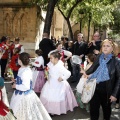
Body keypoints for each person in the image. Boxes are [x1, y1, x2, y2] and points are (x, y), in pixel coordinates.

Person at [81, 39, 120, 120]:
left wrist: (114, 94)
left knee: (106, 111)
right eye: (104, 46)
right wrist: (86, 72)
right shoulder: (99, 57)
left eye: (108, 46)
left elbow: (119, 79)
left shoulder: (116, 61)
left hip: (107, 91)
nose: (105, 48)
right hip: (95, 87)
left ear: (112, 48)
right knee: (93, 111)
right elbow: (93, 68)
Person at [10, 52, 52, 120]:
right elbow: (22, 79)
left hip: (24, 96)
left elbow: (26, 87)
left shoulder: (26, 71)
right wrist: (16, 80)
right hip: (19, 94)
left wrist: (16, 86)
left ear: (20, 61)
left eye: (18, 59)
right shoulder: (21, 69)